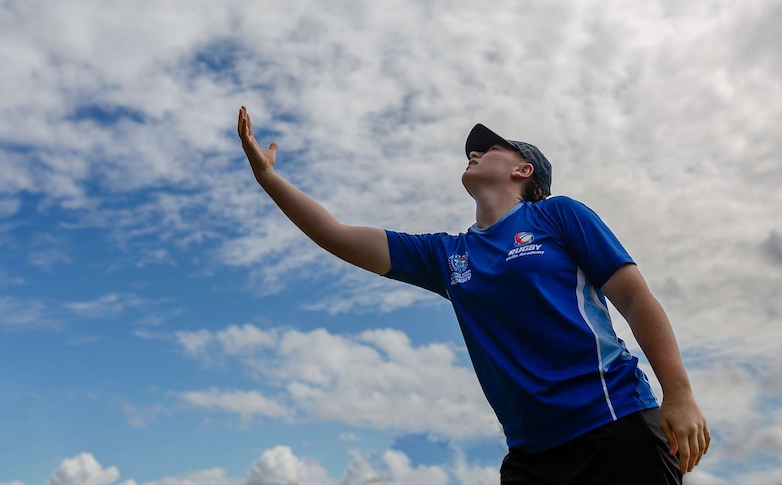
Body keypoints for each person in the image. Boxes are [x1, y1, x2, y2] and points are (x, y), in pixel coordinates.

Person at [237, 106, 710, 484]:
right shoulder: (448, 255)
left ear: (524, 170)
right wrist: (268, 179)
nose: (475, 152)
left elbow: (634, 298)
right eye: (474, 149)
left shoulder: (557, 215)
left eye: (490, 148)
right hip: (530, 455)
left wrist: (680, 393)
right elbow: (337, 234)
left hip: (614, 425)